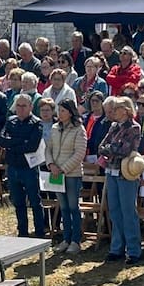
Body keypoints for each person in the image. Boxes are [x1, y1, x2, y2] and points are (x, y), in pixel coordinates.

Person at [97, 96, 144, 264]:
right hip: (111, 172)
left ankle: (133, 250)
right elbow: (101, 146)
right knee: (115, 211)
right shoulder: (114, 126)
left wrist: (110, 149)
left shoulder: (134, 128)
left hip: (126, 174)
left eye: (116, 108)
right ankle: (116, 248)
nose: (113, 112)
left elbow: (125, 150)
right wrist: (111, 148)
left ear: (125, 109)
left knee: (128, 211)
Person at [0, 94, 46, 239]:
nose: (20, 109)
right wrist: (20, 141)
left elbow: (31, 146)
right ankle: (22, 232)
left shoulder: (36, 123)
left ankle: (39, 232)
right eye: (18, 106)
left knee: (35, 201)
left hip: (29, 168)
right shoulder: (10, 121)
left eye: (24, 106)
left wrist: (12, 144)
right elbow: (1, 140)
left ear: (31, 107)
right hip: (13, 166)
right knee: (18, 202)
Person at [44, 99, 86, 254]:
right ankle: (66, 239)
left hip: (72, 175)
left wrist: (63, 169)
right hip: (56, 174)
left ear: (70, 112)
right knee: (63, 207)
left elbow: (79, 153)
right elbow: (48, 148)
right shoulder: (55, 128)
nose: (60, 114)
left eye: (63, 110)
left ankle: (76, 240)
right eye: (59, 110)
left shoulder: (78, 129)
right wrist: (51, 165)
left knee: (74, 207)